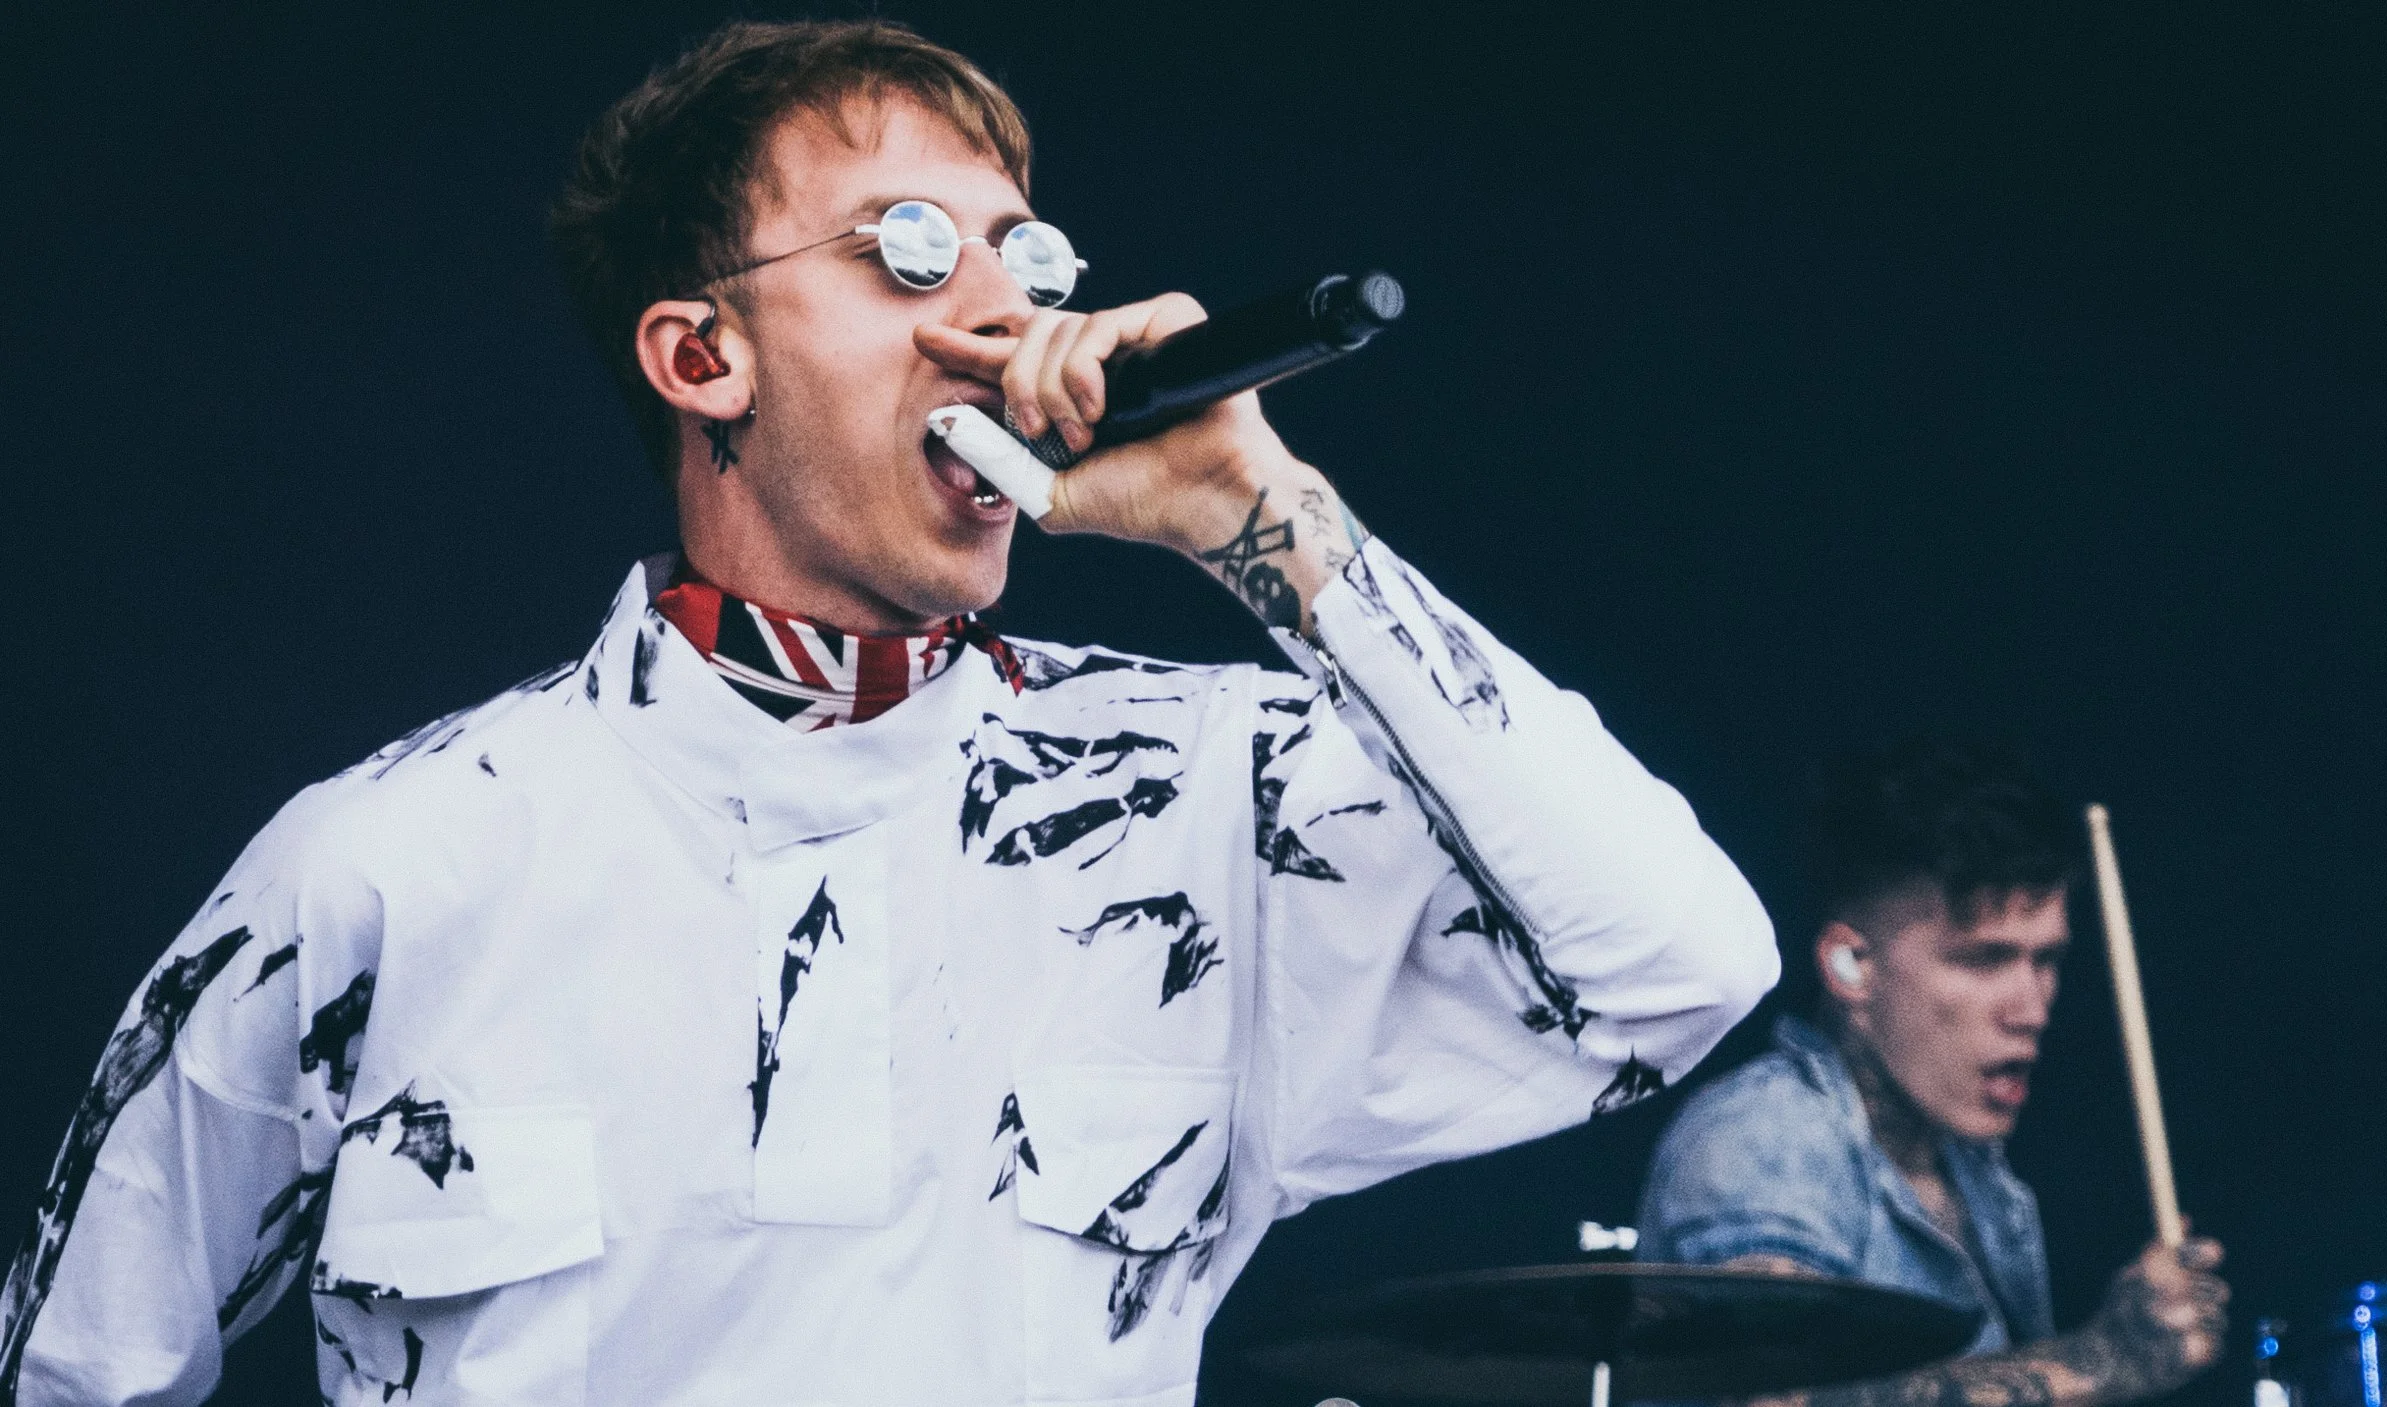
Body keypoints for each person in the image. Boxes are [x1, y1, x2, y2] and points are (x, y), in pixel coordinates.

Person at [0, 19, 1780, 1406]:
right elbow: (77, 1364)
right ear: (703, 355)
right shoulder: (393, 863)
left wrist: (1272, 532)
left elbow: (1685, 967)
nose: (1006, 316)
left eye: (1029, 255)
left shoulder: (1209, 805)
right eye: (909, 251)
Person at [1636, 739, 2229, 1407]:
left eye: (2046, 960)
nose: (2031, 1008)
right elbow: (1771, 1399)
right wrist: (2099, 1358)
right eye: (1984, 959)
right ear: (1852, 965)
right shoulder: (1765, 1135)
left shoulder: (1975, 1172)